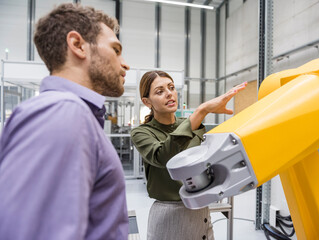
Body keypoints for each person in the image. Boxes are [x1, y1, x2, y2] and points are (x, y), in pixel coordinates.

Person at [0, 3, 130, 240]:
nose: (125, 63)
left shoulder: (73, 114)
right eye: (116, 49)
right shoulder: (63, 113)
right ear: (78, 45)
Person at [130, 70, 247, 240]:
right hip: (170, 213)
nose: (169, 93)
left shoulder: (188, 125)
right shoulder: (141, 133)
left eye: (171, 87)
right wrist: (202, 110)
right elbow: (164, 157)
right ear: (147, 102)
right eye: (160, 91)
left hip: (201, 210)